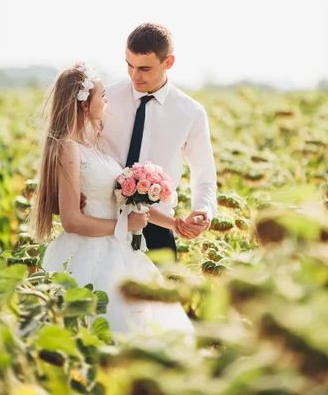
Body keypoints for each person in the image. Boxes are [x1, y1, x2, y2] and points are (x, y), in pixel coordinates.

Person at [33, 62, 194, 335]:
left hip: (119, 250)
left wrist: (174, 224)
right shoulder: (69, 150)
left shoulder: (95, 146)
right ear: (84, 104)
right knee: (96, 326)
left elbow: (124, 203)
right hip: (87, 252)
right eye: (101, 96)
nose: (107, 100)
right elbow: (72, 222)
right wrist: (125, 227)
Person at [94, 23, 217, 256]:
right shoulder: (104, 99)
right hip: (101, 224)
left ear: (168, 63)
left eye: (144, 68)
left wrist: (203, 210)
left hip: (158, 230)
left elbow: (204, 177)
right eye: (129, 65)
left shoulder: (191, 112)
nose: (134, 76)